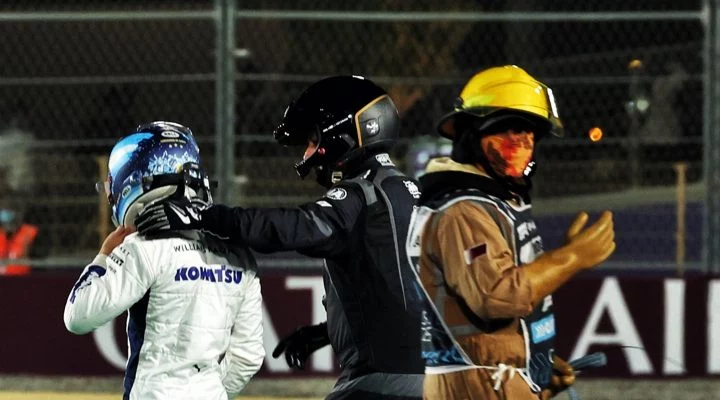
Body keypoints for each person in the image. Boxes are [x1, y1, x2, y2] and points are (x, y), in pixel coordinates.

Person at [135, 76, 426, 400]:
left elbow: (292, 227)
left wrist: (203, 216)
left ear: (347, 135)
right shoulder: (408, 192)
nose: (307, 152)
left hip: (381, 385)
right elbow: (405, 296)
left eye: (313, 139)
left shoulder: (363, 195)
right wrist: (326, 332)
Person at [405, 65, 616, 400]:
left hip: (492, 380)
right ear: (471, 134)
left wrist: (530, 362)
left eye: (530, 131)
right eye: (508, 128)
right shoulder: (462, 211)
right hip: (480, 385)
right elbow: (496, 296)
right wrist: (572, 257)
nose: (522, 140)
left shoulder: (488, 202)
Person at [63, 122, 264, 400]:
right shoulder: (239, 254)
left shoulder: (143, 247)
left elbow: (78, 317)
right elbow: (248, 357)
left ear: (135, 177)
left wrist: (103, 256)